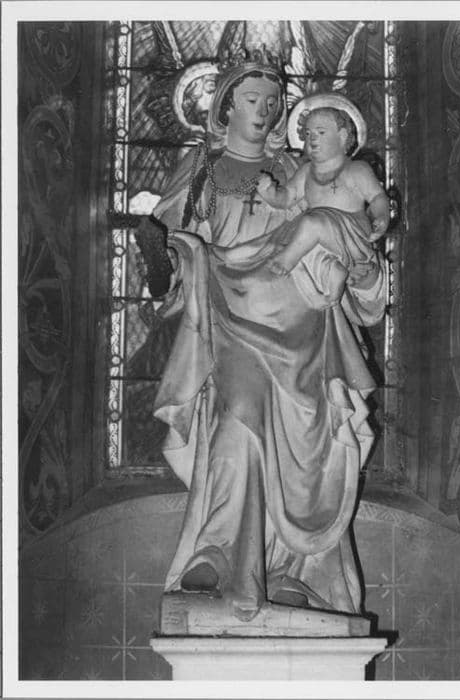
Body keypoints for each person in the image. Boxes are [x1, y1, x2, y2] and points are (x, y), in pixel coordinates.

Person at [144, 55, 386, 621]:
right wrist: (170, 262)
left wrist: (360, 270)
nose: (267, 110)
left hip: (300, 322)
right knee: (239, 421)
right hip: (230, 313)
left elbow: (337, 236)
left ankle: (295, 572)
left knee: (310, 437)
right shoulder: (199, 169)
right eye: (254, 99)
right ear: (226, 105)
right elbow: (172, 249)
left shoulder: (294, 168)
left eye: (275, 102)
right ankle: (218, 554)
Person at [256, 97, 390, 277]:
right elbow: (287, 197)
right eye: (308, 133)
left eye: (321, 132)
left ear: (342, 136)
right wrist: (270, 193)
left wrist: (381, 217)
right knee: (294, 230)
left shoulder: (356, 169)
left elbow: (377, 197)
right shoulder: (306, 171)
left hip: (352, 235)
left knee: (311, 223)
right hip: (319, 238)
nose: (312, 138)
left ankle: (286, 260)